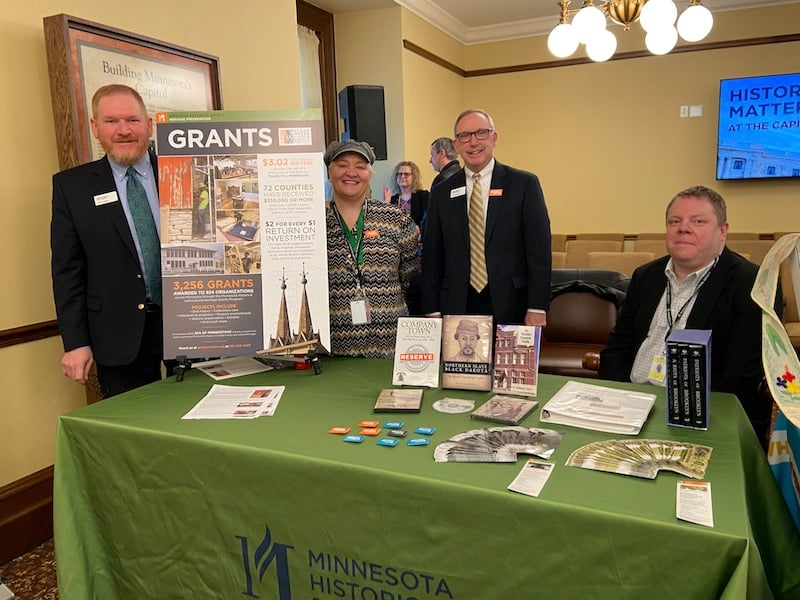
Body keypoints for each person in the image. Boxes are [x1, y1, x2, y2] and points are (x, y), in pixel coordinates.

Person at [599, 185, 770, 440]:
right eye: (674, 221)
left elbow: (741, 378)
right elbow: (618, 347)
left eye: (698, 221)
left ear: (723, 231)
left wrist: (677, 411)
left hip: (701, 417)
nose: (683, 228)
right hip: (628, 406)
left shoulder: (753, 285)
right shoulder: (646, 276)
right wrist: (616, 400)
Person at [51, 84, 167, 398]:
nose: (123, 130)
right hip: (117, 335)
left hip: (188, 326)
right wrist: (76, 343)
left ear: (149, 125)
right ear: (95, 127)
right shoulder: (71, 188)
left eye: (132, 120)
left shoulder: (182, 172)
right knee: (134, 430)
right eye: (111, 121)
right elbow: (67, 272)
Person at [422, 109, 552, 328]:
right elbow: (432, 255)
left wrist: (537, 307)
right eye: (465, 136)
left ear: (494, 138)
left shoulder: (524, 184)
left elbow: (539, 252)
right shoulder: (442, 192)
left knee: (508, 364)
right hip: (456, 306)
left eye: (481, 133)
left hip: (513, 305)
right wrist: (431, 309)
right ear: (456, 145)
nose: (473, 142)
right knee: (459, 363)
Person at [325, 139, 418, 359]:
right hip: (335, 349)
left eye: (360, 166)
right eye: (342, 165)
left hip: (391, 344)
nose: (351, 172)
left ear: (370, 173)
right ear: (329, 172)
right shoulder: (315, 224)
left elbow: (408, 274)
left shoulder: (396, 219)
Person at [385, 160, 428, 316]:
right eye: (399, 174)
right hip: (398, 252)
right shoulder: (393, 199)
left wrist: (417, 230)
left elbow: (428, 221)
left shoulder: (423, 196)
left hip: (419, 251)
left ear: (413, 176)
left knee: (417, 288)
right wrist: (386, 203)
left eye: (406, 174)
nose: (402, 177)